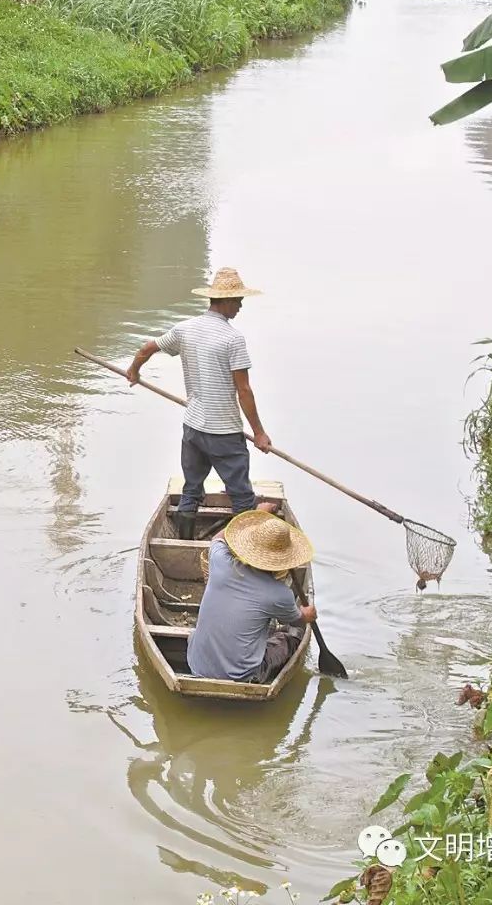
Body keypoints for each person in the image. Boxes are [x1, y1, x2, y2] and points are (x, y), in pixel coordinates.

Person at [125, 268, 270, 538]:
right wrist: (259, 433)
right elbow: (244, 391)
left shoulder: (184, 329)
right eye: (238, 300)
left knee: (191, 489)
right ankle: (242, 552)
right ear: (224, 301)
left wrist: (134, 371)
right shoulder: (233, 339)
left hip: (193, 429)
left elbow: (146, 349)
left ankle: (185, 545)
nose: (240, 306)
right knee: (241, 498)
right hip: (224, 432)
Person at [186, 505, 317, 683]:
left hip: (197, 665)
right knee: (290, 637)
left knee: (196, 633)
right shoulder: (280, 594)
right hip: (244, 677)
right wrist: (307, 614)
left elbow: (218, 539)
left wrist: (257, 514)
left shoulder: (221, 561)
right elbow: (296, 620)